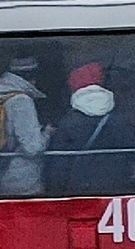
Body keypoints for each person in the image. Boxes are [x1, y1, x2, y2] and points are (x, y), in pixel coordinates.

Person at [46, 61, 129, 196]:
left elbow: (59, 165)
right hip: (115, 186)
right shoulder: (118, 119)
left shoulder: (68, 123)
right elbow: (130, 151)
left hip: (79, 187)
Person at [0, 55, 50, 196]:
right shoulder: (21, 101)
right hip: (21, 176)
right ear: (33, 75)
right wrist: (47, 133)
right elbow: (32, 147)